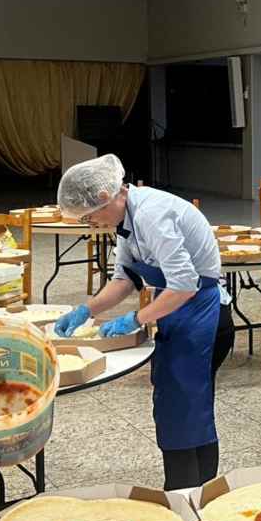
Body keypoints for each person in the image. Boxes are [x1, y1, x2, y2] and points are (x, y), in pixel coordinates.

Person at [53, 154, 233, 491]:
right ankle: (189, 490)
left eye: (89, 217)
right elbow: (126, 279)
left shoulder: (152, 214)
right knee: (177, 409)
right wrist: (87, 310)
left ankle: (190, 495)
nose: (90, 224)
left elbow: (184, 285)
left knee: (186, 410)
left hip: (204, 314)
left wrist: (136, 318)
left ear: (106, 197)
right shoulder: (127, 219)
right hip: (176, 312)